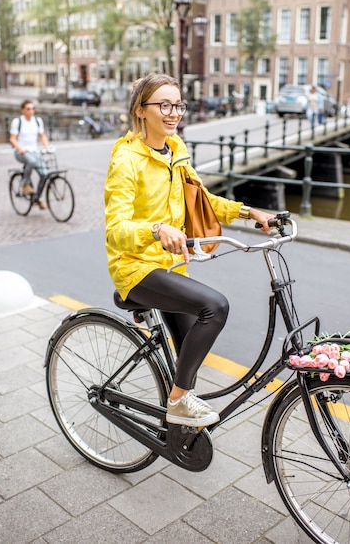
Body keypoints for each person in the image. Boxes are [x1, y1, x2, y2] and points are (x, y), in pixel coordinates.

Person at [105, 73, 274, 428]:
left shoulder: (176, 150)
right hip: (136, 269)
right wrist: (156, 229)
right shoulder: (127, 160)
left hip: (171, 268)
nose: (173, 113)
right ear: (141, 109)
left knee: (188, 363)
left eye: (178, 105)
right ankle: (177, 402)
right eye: (163, 105)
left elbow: (200, 199)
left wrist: (248, 211)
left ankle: (178, 418)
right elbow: (115, 229)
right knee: (215, 306)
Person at [9, 100, 51, 210]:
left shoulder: (37, 121)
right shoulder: (17, 122)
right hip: (21, 152)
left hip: (34, 152)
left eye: (33, 108)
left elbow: (42, 136)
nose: (31, 111)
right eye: (28, 109)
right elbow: (12, 139)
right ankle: (25, 183)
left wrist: (47, 147)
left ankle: (36, 198)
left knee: (44, 174)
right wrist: (20, 149)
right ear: (23, 110)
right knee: (31, 161)